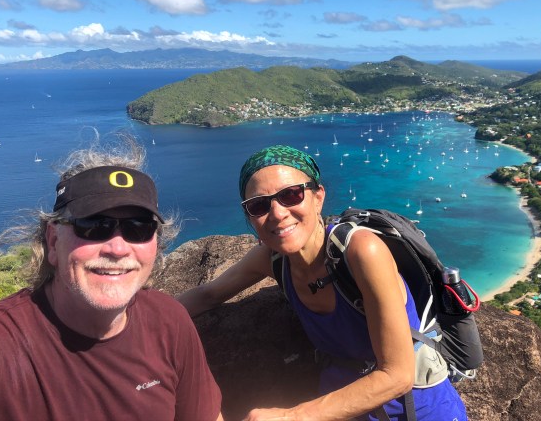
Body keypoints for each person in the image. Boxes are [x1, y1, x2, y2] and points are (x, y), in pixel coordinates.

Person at [178, 145, 467, 421]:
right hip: (341, 405)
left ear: (318, 197)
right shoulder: (273, 259)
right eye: (259, 205)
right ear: (250, 217)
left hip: (416, 409)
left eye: (291, 195)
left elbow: (397, 375)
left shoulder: (362, 251)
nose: (277, 213)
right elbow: (208, 294)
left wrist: (293, 415)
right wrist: (150, 316)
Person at [0, 137, 222, 421]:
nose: (117, 248)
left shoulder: (169, 322)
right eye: (94, 226)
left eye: (138, 228)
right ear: (53, 241)